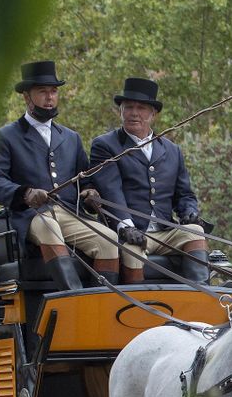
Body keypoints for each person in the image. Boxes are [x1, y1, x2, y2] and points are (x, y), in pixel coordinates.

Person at [0, 60, 119, 290]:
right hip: (31, 216)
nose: (50, 97)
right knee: (50, 227)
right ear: (27, 97)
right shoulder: (6, 136)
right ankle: (75, 301)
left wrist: (89, 191)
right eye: (43, 92)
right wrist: (25, 193)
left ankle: (101, 305)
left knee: (110, 240)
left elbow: (83, 178)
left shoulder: (71, 137)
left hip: (68, 212)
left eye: (54, 91)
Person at [89, 76, 210, 286]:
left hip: (165, 232)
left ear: (153, 114)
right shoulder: (105, 145)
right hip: (129, 232)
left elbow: (184, 194)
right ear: (121, 111)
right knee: (132, 249)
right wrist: (125, 226)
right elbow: (111, 190)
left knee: (195, 234)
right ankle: (137, 310)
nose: (134, 113)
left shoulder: (172, 151)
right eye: (128, 107)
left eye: (141, 108)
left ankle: (201, 299)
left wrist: (190, 213)